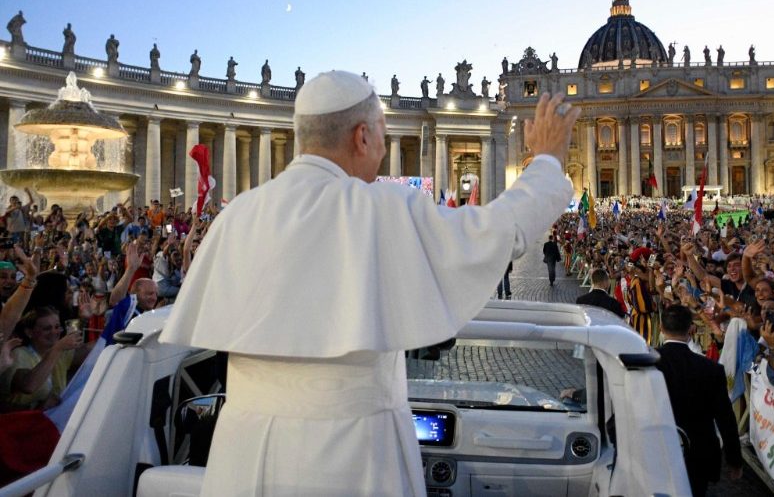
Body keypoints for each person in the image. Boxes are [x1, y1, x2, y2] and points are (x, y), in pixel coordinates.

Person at [160, 72, 579, 496]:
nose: (383, 146)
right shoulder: (379, 208)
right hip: (350, 457)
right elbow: (500, 230)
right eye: (381, 132)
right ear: (362, 136)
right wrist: (546, 159)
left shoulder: (237, 216)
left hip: (240, 458)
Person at [655, 304, 742, 496]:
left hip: (654, 448)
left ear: (661, 328)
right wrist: (734, 459)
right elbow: (725, 418)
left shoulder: (645, 362)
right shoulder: (711, 369)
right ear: (691, 329)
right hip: (698, 454)